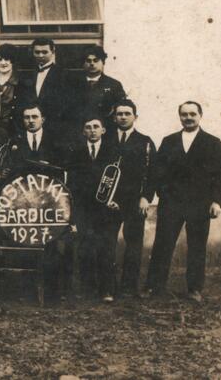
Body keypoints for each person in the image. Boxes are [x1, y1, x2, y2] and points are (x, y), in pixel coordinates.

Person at [145, 101, 221, 303]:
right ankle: (155, 287)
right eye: (184, 114)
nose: (188, 117)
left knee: (197, 246)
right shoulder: (169, 141)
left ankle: (194, 289)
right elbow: (157, 171)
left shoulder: (212, 142)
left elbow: (220, 175)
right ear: (179, 116)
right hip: (171, 202)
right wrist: (162, 193)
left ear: (200, 115)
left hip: (200, 204)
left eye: (192, 114)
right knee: (163, 244)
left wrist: (216, 201)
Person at [66, 116, 125, 303]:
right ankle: (87, 289)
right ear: (83, 131)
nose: (92, 130)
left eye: (96, 127)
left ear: (103, 130)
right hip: (84, 208)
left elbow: (122, 180)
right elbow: (72, 184)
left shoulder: (114, 151)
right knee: (85, 248)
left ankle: (107, 290)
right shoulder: (75, 152)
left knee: (106, 248)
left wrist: (116, 200)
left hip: (106, 209)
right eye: (88, 127)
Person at [107, 99, 157, 297]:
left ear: (135, 116)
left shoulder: (145, 141)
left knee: (134, 243)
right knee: (106, 242)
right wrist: (105, 198)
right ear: (114, 117)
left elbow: (153, 173)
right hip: (109, 202)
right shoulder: (106, 138)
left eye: (127, 113)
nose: (123, 117)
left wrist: (146, 197)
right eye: (119, 114)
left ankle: (128, 287)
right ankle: (108, 287)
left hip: (135, 201)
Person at [17, 38, 72, 140]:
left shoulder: (64, 75)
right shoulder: (26, 74)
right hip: (30, 130)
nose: (40, 55)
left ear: (53, 51)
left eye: (44, 52)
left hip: (55, 129)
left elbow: (67, 105)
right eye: (37, 52)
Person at [70, 46, 126, 134]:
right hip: (79, 132)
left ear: (103, 62)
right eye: (88, 61)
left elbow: (121, 110)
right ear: (83, 63)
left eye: (96, 60)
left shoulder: (114, 85)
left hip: (106, 132)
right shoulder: (73, 85)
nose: (92, 64)